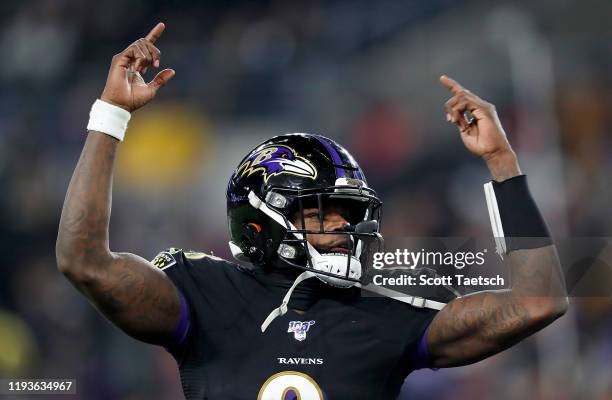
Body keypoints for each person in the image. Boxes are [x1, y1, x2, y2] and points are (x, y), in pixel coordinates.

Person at [56, 23, 569, 399]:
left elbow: (538, 302)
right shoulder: (203, 293)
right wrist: (111, 114)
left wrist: (502, 164)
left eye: (349, 214)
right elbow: (84, 261)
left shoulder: (382, 316)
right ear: (263, 218)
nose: (345, 228)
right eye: (323, 214)